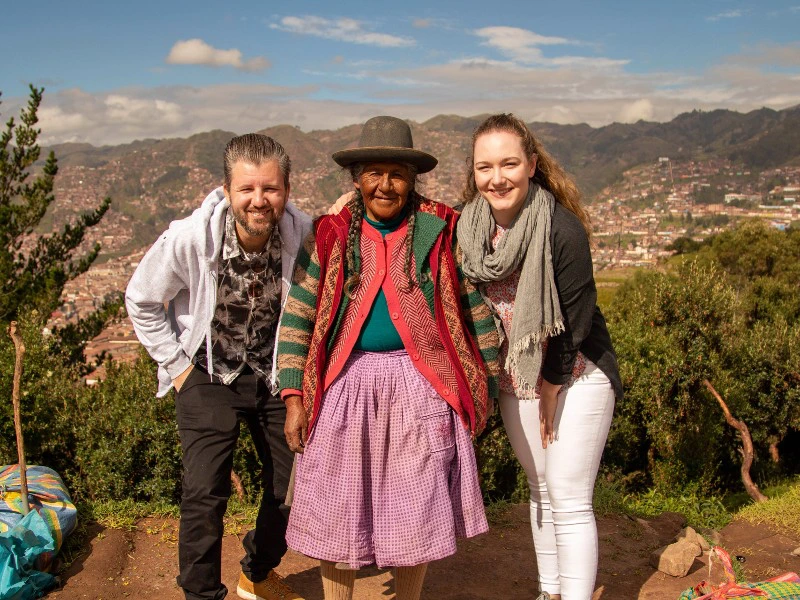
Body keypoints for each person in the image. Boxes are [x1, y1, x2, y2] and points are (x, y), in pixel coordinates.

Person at [277, 116, 500, 600]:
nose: (385, 185)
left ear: (412, 179)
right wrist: (294, 397)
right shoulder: (331, 235)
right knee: (338, 509)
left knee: (415, 505)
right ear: (356, 178)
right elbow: (299, 316)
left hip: (420, 385)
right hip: (344, 385)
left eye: (396, 173)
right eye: (373, 172)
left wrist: (486, 386)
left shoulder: (440, 232)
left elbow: (472, 305)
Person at [125, 133, 312, 600]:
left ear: (286, 190)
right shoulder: (190, 239)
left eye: (270, 189)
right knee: (204, 494)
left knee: (293, 487)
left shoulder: (302, 234)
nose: (259, 200)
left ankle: (257, 569)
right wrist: (178, 367)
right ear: (227, 190)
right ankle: (202, 593)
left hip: (274, 375)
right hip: (208, 373)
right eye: (247, 188)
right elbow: (141, 297)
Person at [456, 114, 623, 600]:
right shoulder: (468, 228)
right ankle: (550, 592)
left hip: (576, 373)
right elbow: (418, 224)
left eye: (509, 163)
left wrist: (551, 382)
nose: (497, 177)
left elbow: (577, 317)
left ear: (532, 164)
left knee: (568, 498)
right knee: (540, 489)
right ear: (474, 172)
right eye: (485, 166)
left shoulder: (560, 229)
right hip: (516, 375)